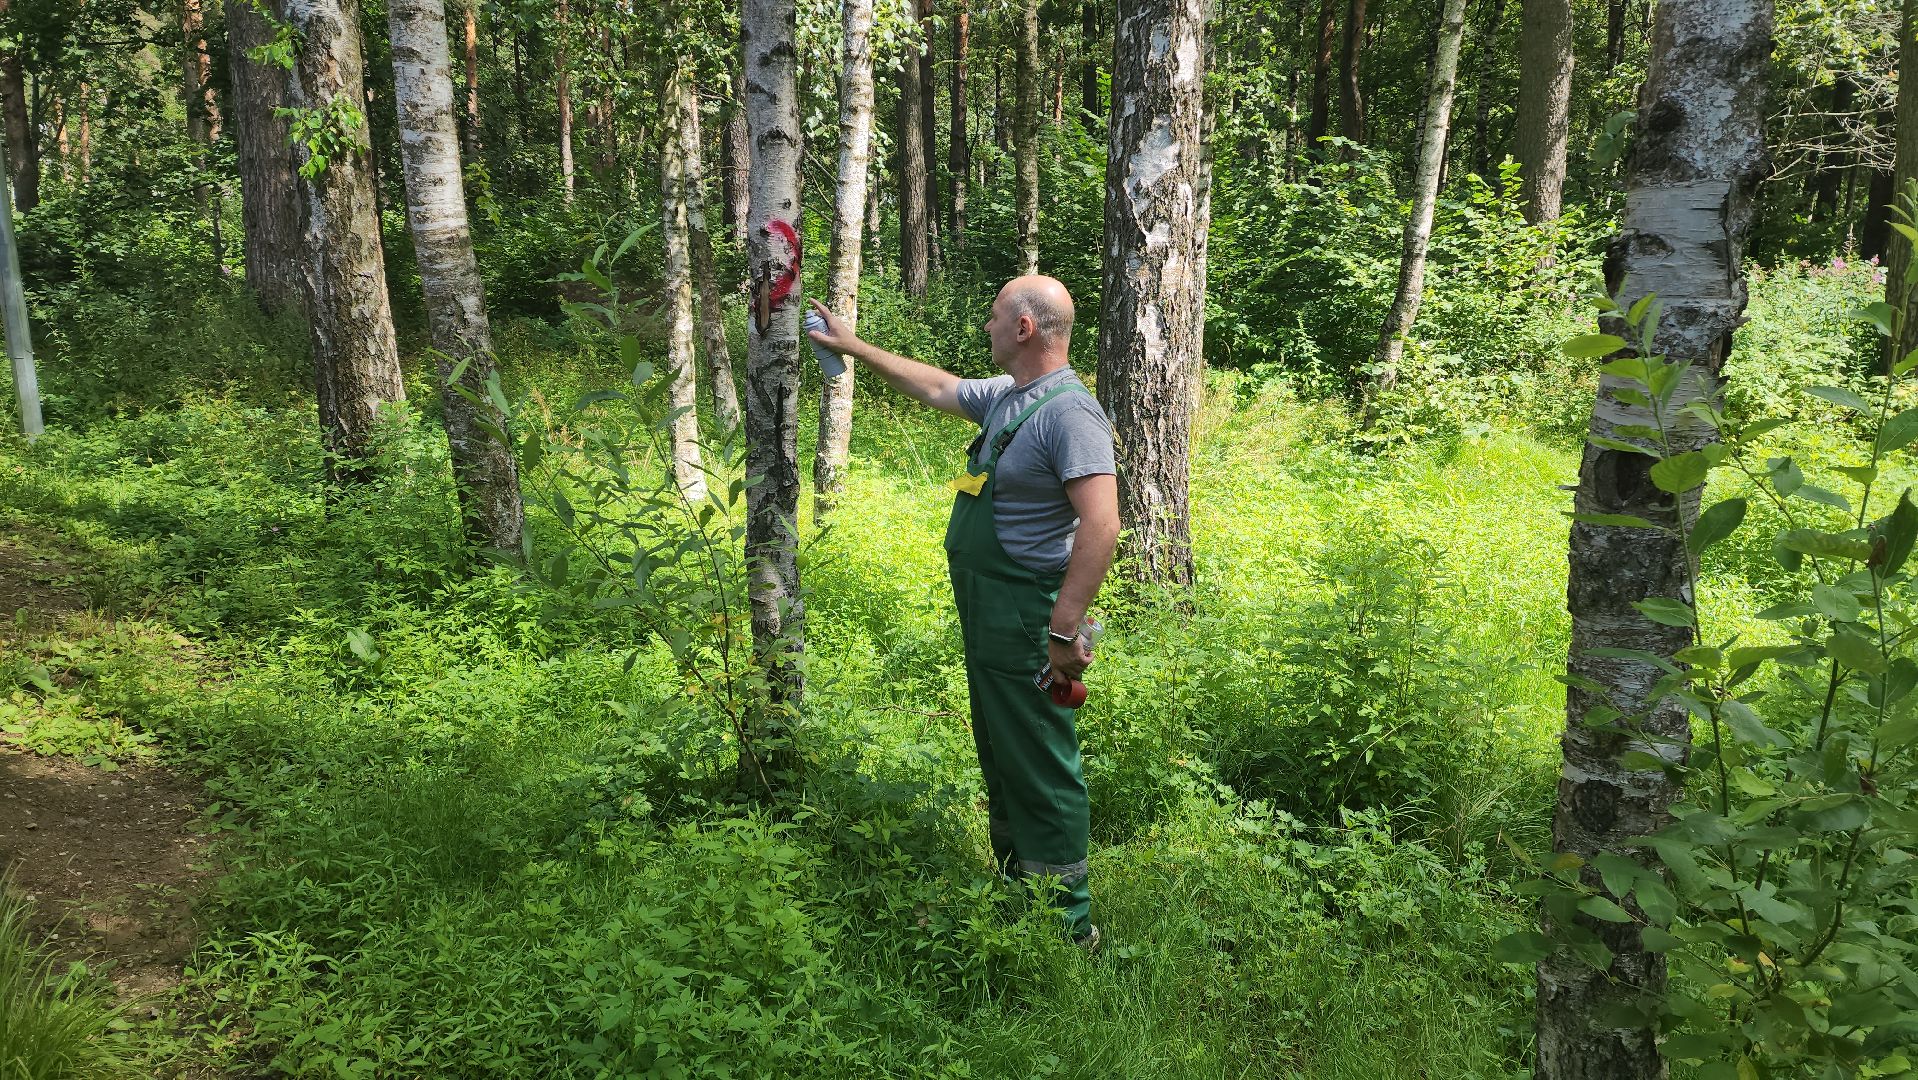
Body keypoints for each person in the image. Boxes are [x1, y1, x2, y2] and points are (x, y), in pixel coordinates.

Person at [806, 276, 1119, 950]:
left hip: (1028, 616)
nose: (986, 326)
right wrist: (853, 347)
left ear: (1025, 328)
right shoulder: (1010, 397)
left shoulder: (1070, 414)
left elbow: (1103, 524)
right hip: (989, 613)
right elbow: (936, 386)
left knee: (1040, 759)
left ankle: (1068, 927)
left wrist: (1063, 630)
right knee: (1003, 752)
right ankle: (1021, 891)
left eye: (995, 316)